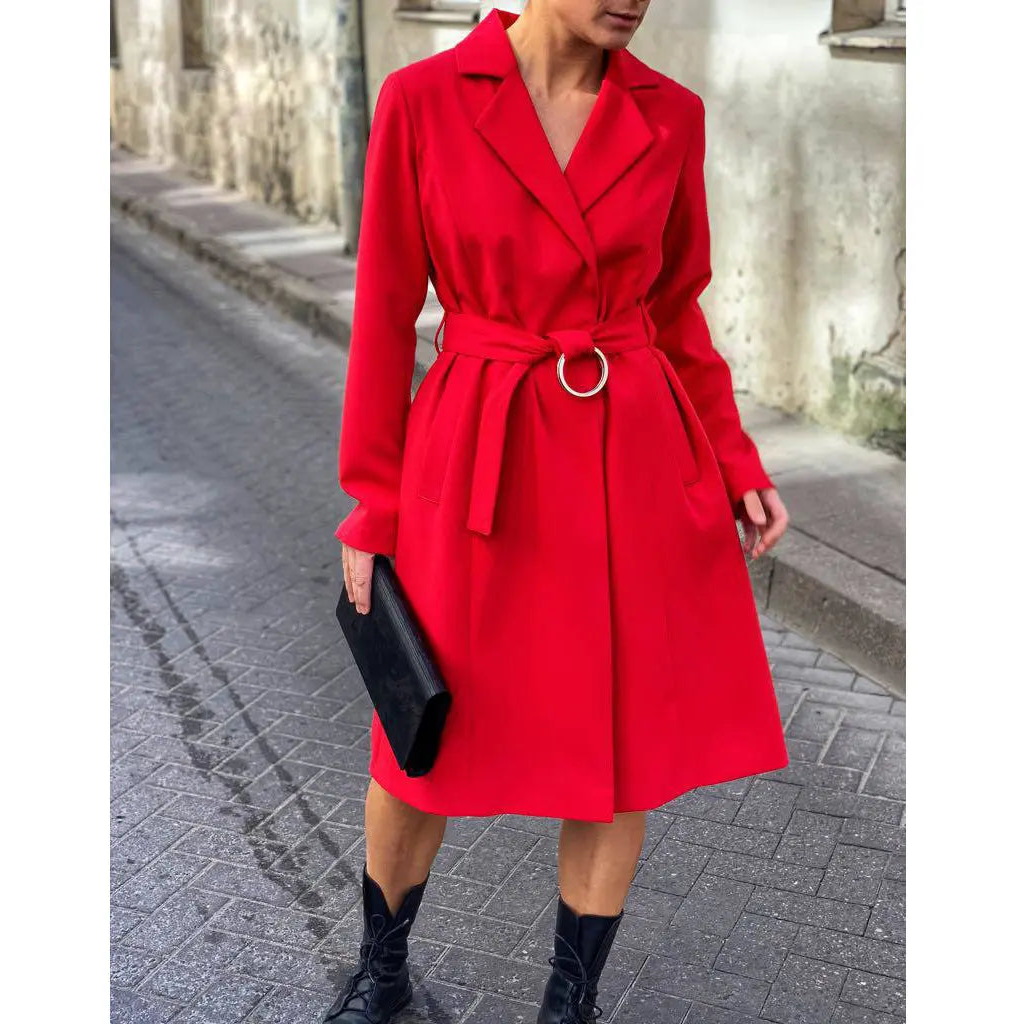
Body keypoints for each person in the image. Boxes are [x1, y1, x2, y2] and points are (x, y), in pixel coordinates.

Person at [327, 3, 791, 1021]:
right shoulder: (424, 101)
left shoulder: (670, 114)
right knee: (419, 733)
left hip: (630, 456)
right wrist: (371, 500)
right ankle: (382, 968)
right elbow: (385, 307)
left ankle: (567, 1004)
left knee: (614, 750)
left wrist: (730, 452)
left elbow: (675, 311)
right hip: (476, 452)